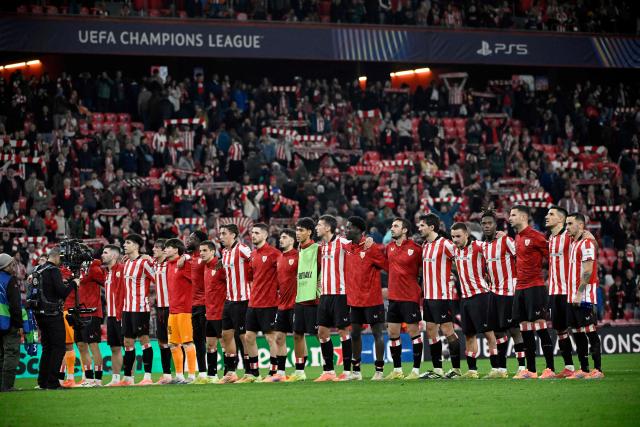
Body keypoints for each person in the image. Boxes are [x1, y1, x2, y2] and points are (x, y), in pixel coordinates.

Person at [508, 205, 555, 379]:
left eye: (513, 215)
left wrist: (551, 278)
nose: (510, 218)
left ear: (523, 217)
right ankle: (531, 370)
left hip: (535, 287)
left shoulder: (536, 236)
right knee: (525, 329)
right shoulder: (517, 237)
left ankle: (549, 368)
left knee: (540, 327)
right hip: (520, 288)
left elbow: (553, 257)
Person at [450, 222, 500, 379]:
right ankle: (472, 370)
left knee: (488, 333)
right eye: (453, 237)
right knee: (469, 335)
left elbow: (494, 252)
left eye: (458, 236)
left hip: (481, 296)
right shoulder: (455, 251)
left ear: (467, 234)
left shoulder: (479, 246)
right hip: (465, 298)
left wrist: (500, 238)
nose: (455, 240)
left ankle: (497, 368)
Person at [416, 214, 462, 379]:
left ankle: (456, 369)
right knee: (430, 331)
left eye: (422, 225)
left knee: (448, 330)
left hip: (442, 295)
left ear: (431, 227)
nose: (419, 228)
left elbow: (461, 257)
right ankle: (438, 370)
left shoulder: (446, 244)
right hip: (428, 296)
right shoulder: (425, 245)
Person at [480, 210, 525, 376]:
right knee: (498, 331)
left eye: (489, 223)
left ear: (495, 225)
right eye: (484, 224)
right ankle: (502, 368)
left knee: (514, 330)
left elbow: (520, 254)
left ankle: (522, 367)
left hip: (509, 292)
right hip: (494, 293)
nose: (486, 226)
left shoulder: (505, 240)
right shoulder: (483, 246)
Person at [343, 216, 388, 381]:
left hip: (372, 300)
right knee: (354, 333)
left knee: (377, 333)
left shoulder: (371, 248)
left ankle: (379, 370)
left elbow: (386, 265)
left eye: (349, 228)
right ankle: (356, 371)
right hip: (354, 300)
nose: (346, 230)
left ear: (358, 230)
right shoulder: (347, 247)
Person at [237, 223, 281, 383]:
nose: (253, 235)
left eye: (256, 233)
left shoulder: (274, 254)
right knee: (249, 337)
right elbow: (250, 277)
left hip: (269, 303)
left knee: (271, 338)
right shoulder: (253, 255)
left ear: (265, 235)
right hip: (253, 302)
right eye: (252, 233)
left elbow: (282, 276)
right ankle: (254, 373)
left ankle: (273, 372)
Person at [314, 215, 353, 382]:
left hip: (340, 294)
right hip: (325, 295)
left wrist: (368, 242)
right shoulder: (321, 247)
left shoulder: (343, 243)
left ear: (328, 228)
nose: (316, 227)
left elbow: (358, 250)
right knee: (322, 332)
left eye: (319, 225)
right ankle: (329, 371)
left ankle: (347, 371)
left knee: (343, 331)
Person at [566, 213, 604, 379]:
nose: (566, 227)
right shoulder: (575, 243)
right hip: (573, 295)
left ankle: (597, 370)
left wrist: (580, 293)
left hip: (584, 295)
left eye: (570, 224)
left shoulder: (587, 243)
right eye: (566, 224)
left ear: (580, 225)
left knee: (590, 330)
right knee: (577, 332)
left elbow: (588, 271)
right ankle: (584, 368)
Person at [384, 218, 423, 380]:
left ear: (405, 230)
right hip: (394, 298)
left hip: (409, 297)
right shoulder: (389, 248)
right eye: (392, 226)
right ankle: (398, 370)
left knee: (414, 333)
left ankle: (415, 370)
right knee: (393, 332)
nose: (392, 229)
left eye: (396, 226)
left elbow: (424, 268)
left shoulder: (416, 249)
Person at [34, 247, 74, 390]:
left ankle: (42, 382)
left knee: (47, 348)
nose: (61, 262)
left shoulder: (38, 269)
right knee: (58, 347)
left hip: (39, 314)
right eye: (60, 259)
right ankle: (53, 382)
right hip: (52, 314)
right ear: (56, 257)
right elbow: (62, 292)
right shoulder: (53, 270)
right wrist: (73, 283)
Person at [286, 217, 320, 383]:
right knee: (297, 334)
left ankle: (330, 369)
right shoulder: (296, 251)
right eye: (297, 230)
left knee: (320, 334)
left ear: (309, 232)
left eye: (301, 230)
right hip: (299, 299)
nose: (297, 233)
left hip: (314, 299)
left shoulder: (317, 249)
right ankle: (300, 371)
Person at [119, 234, 156, 386]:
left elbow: (157, 278)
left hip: (140, 308)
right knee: (127, 342)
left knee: (144, 340)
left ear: (136, 246)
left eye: (128, 243)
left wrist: (152, 298)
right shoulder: (126, 261)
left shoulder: (144, 262)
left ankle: (147, 377)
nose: (124, 245)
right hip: (127, 308)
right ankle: (128, 378)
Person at [545, 206, 577, 378]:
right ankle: (569, 367)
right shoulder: (550, 238)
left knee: (581, 328)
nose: (547, 216)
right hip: (554, 291)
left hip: (570, 291)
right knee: (560, 330)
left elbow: (586, 240)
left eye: (551, 214)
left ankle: (589, 367)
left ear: (561, 219)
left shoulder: (569, 236)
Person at [219, 223, 252, 384]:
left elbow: (255, 262)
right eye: (220, 234)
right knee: (226, 335)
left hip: (243, 299)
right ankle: (231, 372)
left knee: (243, 337)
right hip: (229, 300)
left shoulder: (242, 249)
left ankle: (249, 371)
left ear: (233, 235)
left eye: (224, 233)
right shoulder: (224, 252)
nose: (221, 236)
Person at [164, 238, 197, 384]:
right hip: (173, 310)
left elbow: (197, 269)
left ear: (176, 249)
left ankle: (191, 376)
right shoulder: (168, 265)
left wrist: (187, 257)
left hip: (185, 310)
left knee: (187, 342)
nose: (165, 250)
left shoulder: (185, 264)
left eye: (168, 247)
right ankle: (179, 376)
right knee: (173, 344)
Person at [268, 229, 298, 382]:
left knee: (299, 336)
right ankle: (281, 371)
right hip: (282, 305)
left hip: (296, 303)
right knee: (279, 337)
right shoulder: (279, 258)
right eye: (280, 237)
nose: (281, 239)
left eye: (284, 237)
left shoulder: (299, 256)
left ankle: (300, 371)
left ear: (292, 240)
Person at [74, 257, 106, 387]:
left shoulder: (93, 268)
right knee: (81, 345)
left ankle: (98, 380)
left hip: (92, 311)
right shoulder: (75, 269)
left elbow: (105, 281)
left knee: (93, 345)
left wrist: (95, 264)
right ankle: (88, 378)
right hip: (78, 312)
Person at [200, 240, 226, 383]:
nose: (201, 253)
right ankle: (212, 375)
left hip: (221, 312)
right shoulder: (206, 267)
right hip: (209, 312)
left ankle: (229, 373)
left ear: (212, 251)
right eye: (200, 251)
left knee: (225, 345)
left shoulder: (220, 265)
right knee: (210, 345)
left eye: (204, 250)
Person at [101, 244, 125, 387]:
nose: (102, 255)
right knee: (115, 348)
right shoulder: (107, 272)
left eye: (105, 252)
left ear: (114, 256)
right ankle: (116, 379)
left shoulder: (121, 270)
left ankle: (130, 377)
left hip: (121, 315)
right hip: (110, 316)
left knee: (128, 346)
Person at [186, 230, 208, 382]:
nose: (188, 240)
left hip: (207, 304)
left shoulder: (207, 259)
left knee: (217, 339)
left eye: (192, 238)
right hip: (193, 306)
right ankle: (203, 373)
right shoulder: (189, 259)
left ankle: (229, 371)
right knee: (198, 341)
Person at [152, 238, 173, 385]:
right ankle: (167, 375)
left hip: (172, 307)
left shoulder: (171, 264)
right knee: (162, 342)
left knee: (175, 342)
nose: (153, 250)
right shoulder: (155, 264)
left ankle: (180, 373)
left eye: (156, 248)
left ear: (164, 250)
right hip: (160, 308)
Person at [0, 254, 22, 392]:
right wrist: (19, 324)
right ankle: (7, 386)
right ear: (5, 266)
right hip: (8, 323)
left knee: (0, 355)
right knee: (11, 353)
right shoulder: (10, 280)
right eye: (12, 264)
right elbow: (15, 305)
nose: (13, 267)